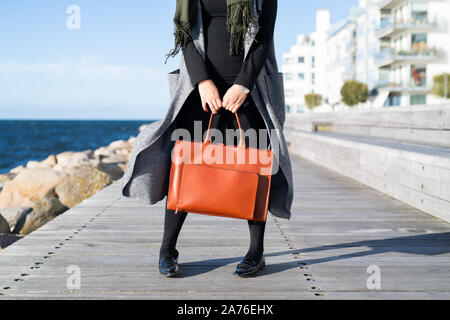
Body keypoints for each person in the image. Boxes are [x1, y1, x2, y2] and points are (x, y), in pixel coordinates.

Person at [120, 0, 293, 278]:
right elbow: (184, 33)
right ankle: (167, 249)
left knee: (257, 166)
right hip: (200, 91)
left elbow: (264, 36)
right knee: (184, 167)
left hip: (248, 91)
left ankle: (256, 252)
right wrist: (202, 81)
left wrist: (244, 84)